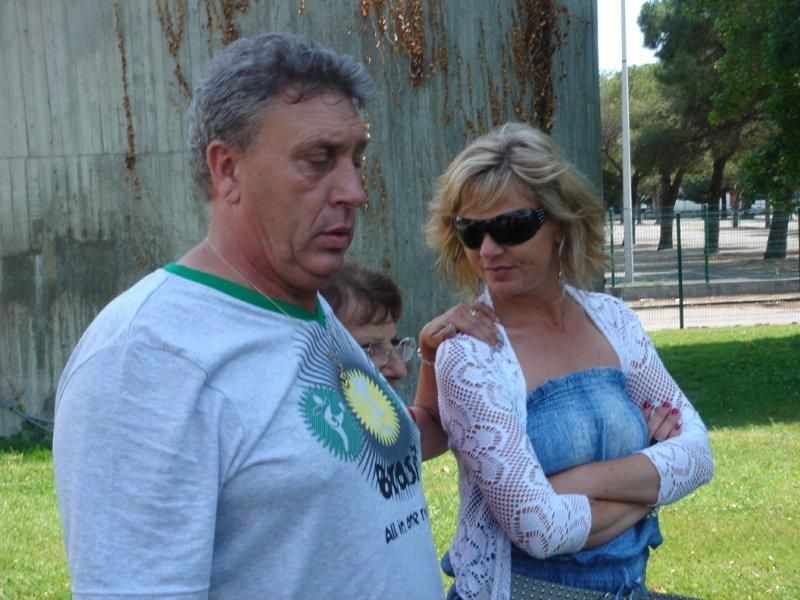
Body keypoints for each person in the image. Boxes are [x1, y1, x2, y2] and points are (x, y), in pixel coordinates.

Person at [55, 32, 451, 599]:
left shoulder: (309, 308)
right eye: (319, 160)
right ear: (227, 170)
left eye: (356, 159)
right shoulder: (145, 358)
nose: (355, 191)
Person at [422, 123, 714, 599]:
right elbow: (539, 528)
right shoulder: (470, 355)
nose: (489, 250)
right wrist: (650, 485)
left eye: (511, 226)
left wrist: (574, 482)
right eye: (471, 231)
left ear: (560, 223)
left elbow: (698, 456)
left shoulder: (613, 321)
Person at [322, 261, 501, 459]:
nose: (401, 370)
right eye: (371, 349)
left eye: (394, 343)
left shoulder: (375, 426)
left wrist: (430, 352)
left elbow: (435, 426)